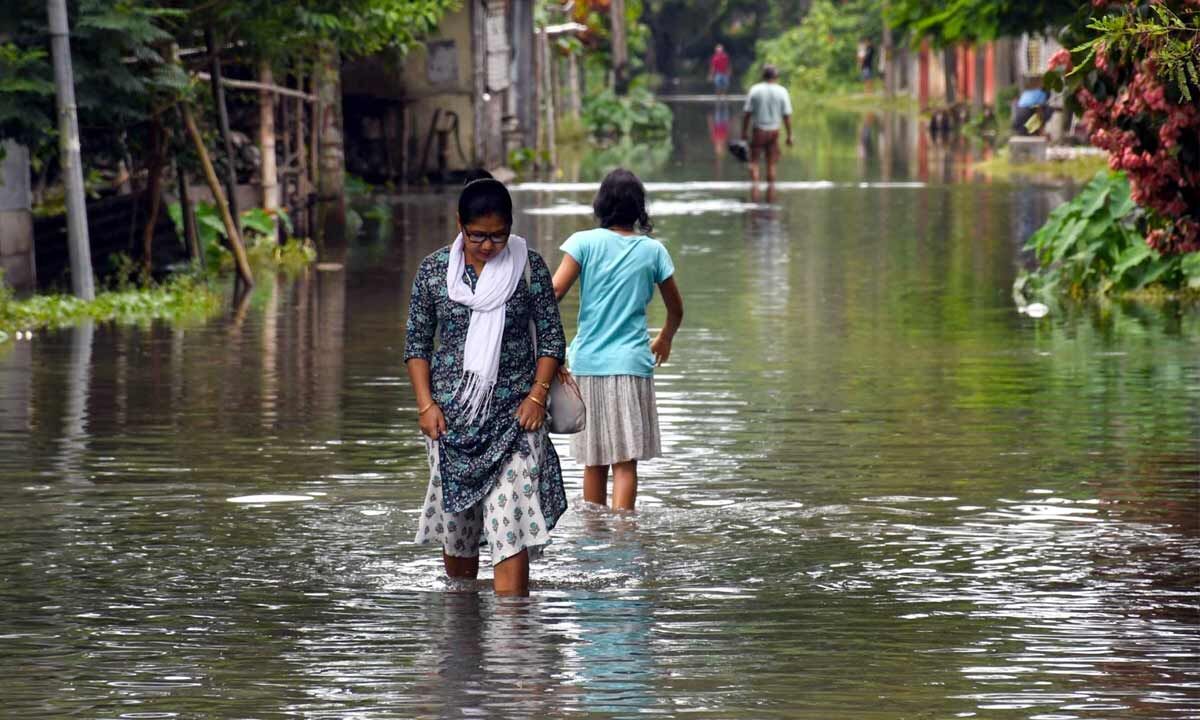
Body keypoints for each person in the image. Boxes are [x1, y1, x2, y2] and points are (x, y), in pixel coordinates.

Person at [404, 176, 568, 596]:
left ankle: (513, 643)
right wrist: (426, 406)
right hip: (451, 422)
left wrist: (537, 396)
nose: (488, 245)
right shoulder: (434, 272)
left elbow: (551, 339)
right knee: (458, 527)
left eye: (498, 235)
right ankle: (463, 633)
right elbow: (417, 344)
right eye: (478, 235)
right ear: (460, 224)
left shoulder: (528, 268)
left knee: (508, 523)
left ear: (511, 226)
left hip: (515, 419)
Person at [552, 169, 684, 512]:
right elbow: (676, 308)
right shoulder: (653, 252)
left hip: (588, 363)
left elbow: (553, 292)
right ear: (639, 209)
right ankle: (625, 535)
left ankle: (593, 533)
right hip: (631, 365)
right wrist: (665, 338)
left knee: (593, 460)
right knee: (625, 462)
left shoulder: (583, 243)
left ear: (601, 206)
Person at [741, 64, 793, 187]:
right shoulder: (782, 91)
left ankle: (755, 191)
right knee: (772, 164)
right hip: (774, 131)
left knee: (754, 163)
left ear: (763, 76)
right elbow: (787, 116)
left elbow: (747, 114)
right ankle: (771, 194)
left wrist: (743, 132)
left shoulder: (755, 89)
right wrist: (790, 135)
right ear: (776, 77)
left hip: (758, 131)